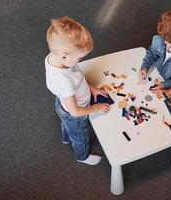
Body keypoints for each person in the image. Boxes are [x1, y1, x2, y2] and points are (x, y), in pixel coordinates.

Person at [45, 16, 110, 165]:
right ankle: (82, 157)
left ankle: (65, 137)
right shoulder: (64, 81)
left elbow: (78, 75)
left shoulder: (55, 58)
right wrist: (96, 107)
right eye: (79, 58)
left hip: (63, 104)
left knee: (66, 125)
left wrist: (92, 89)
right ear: (64, 56)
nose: (79, 61)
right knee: (80, 137)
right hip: (74, 114)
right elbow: (75, 112)